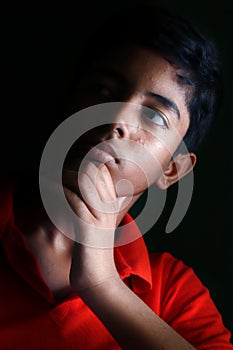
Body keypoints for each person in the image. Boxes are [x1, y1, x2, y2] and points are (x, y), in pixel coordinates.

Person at [0, 4, 232, 349]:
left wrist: (103, 283)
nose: (116, 120)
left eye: (154, 117)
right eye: (103, 91)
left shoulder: (174, 292)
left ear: (171, 169)